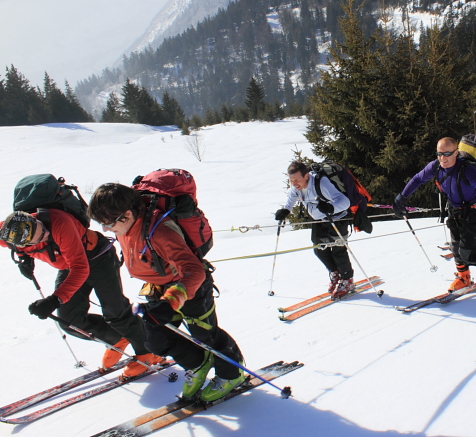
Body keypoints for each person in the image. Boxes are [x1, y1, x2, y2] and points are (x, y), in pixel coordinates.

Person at [88, 183, 245, 402]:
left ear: (127, 214)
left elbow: (193, 271)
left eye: (109, 223)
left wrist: (171, 301)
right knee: (156, 339)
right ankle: (198, 364)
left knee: (205, 334)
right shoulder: (127, 225)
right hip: (157, 289)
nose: (106, 229)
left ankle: (232, 374)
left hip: (188, 289)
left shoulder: (159, 231)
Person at [0, 210, 157, 378]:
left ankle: (148, 351)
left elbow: (81, 268)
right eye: (39, 238)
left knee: (116, 312)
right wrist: (25, 257)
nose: (45, 234)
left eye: (42, 228)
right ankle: (116, 339)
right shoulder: (8, 235)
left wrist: (54, 300)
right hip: (69, 265)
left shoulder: (59, 224)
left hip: (98, 257)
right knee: (69, 320)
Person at [393, 137, 476, 292]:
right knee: (455, 246)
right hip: (454, 208)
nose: (442, 158)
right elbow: (418, 179)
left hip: (472, 209)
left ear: (456, 153)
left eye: (447, 153)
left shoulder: (466, 169)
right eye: (439, 154)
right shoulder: (435, 167)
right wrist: (402, 197)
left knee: (467, 253)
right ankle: (463, 277)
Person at [275, 160, 355, 299]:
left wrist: (331, 208)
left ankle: (347, 280)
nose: (294, 184)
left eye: (296, 180)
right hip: (319, 219)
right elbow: (293, 195)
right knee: (319, 249)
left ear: (306, 176)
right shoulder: (297, 186)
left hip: (337, 218)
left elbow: (345, 202)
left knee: (338, 250)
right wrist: (286, 210)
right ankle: (335, 273)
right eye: (291, 180)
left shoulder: (322, 183)